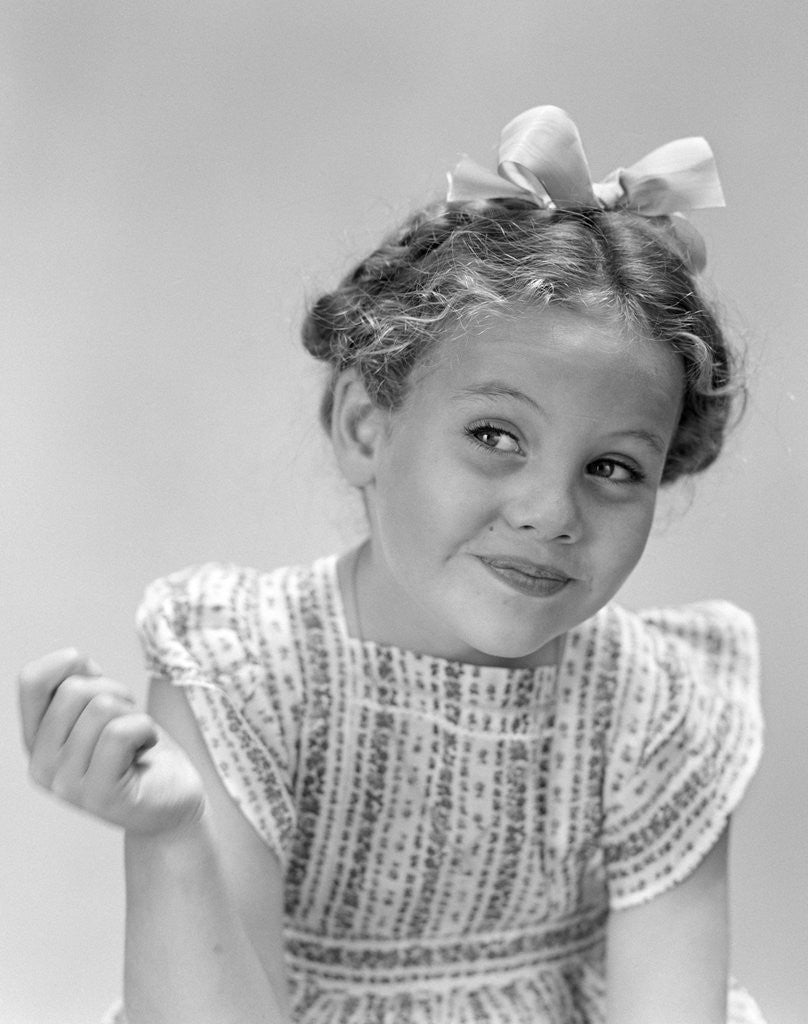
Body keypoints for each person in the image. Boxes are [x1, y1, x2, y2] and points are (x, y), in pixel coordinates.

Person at [19, 105, 765, 1024]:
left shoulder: (658, 707)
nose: (549, 513)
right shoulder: (242, 675)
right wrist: (171, 837)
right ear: (364, 428)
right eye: (495, 435)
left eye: (613, 467)